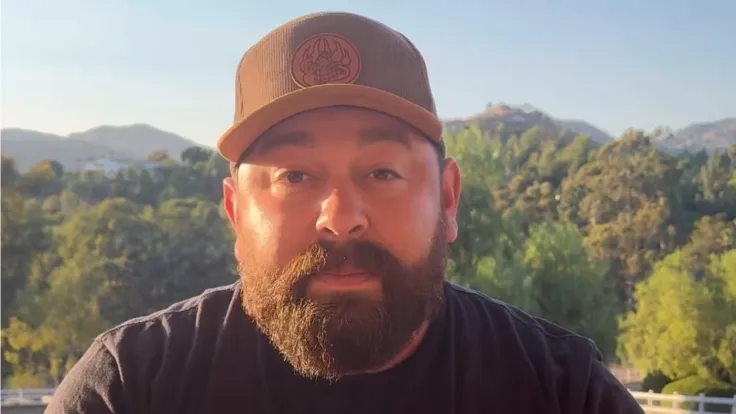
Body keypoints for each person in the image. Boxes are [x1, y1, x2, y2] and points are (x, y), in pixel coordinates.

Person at [46, 11, 644, 414]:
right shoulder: (132, 389)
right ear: (235, 211)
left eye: (382, 173)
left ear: (447, 199)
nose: (340, 217)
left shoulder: (561, 392)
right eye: (294, 176)